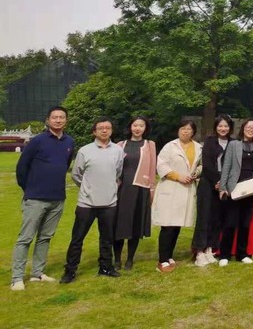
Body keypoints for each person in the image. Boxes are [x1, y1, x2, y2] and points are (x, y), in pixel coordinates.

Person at [11, 106, 75, 291]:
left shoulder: (69, 142)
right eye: (55, 117)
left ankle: (37, 273)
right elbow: (22, 168)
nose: (58, 120)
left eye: (61, 117)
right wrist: (30, 188)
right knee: (25, 238)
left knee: (45, 237)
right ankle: (17, 277)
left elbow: (65, 165)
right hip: (36, 198)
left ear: (66, 120)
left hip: (57, 198)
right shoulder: (37, 141)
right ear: (48, 120)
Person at [60, 118, 125, 283]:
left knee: (107, 239)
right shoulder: (85, 151)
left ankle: (106, 267)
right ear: (94, 131)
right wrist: (87, 188)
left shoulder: (118, 150)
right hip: (86, 203)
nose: (104, 130)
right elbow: (76, 174)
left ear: (111, 131)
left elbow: (117, 172)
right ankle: (70, 271)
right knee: (77, 239)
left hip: (109, 203)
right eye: (101, 128)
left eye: (108, 128)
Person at [152, 119, 202, 272]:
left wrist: (196, 173)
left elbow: (201, 165)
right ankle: (162, 260)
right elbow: (161, 165)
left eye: (188, 129)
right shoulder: (170, 146)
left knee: (177, 224)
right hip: (171, 187)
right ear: (178, 131)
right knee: (168, 225)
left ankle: (169, 255)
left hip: (186, 189)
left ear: (193, 132)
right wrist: (177, 176)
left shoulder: (198, 147)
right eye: (182, 128)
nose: (185, 131)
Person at [113, 116, 157, 270]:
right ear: (130, 127)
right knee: (119, 224)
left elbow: (152, 169)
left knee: (135, 225)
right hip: (122, 189)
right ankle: (117, 259)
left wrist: (151, 189)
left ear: (145, 128)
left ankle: (130, 259)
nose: (138, 128)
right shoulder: (120, 145)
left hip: (140, 190)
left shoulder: (150, 145)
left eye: (141, 126)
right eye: (135, 125)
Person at [218, 118, 253, 266]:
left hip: (249, 190)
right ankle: (224, 255)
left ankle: (242, 254)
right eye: (248, 127)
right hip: (234, 189)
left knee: (245, 225)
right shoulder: (234, 145)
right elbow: (226, 166)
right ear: (243, 128)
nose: (251, 130)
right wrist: (223, 187)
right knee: (230, 223)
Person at [193, 114, 233, 267]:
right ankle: (199, 251)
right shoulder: (209, 141)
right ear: (216, 127)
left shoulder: (233, 143)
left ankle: (210, 248)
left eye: (226, 126)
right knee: (204, 217)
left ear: (230, 127)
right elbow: (207, 164)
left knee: (217, 218)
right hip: (208, 184)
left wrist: (224, 184)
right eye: (220, 126)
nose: (223, 128)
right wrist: (218, 181)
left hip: (224, 187)